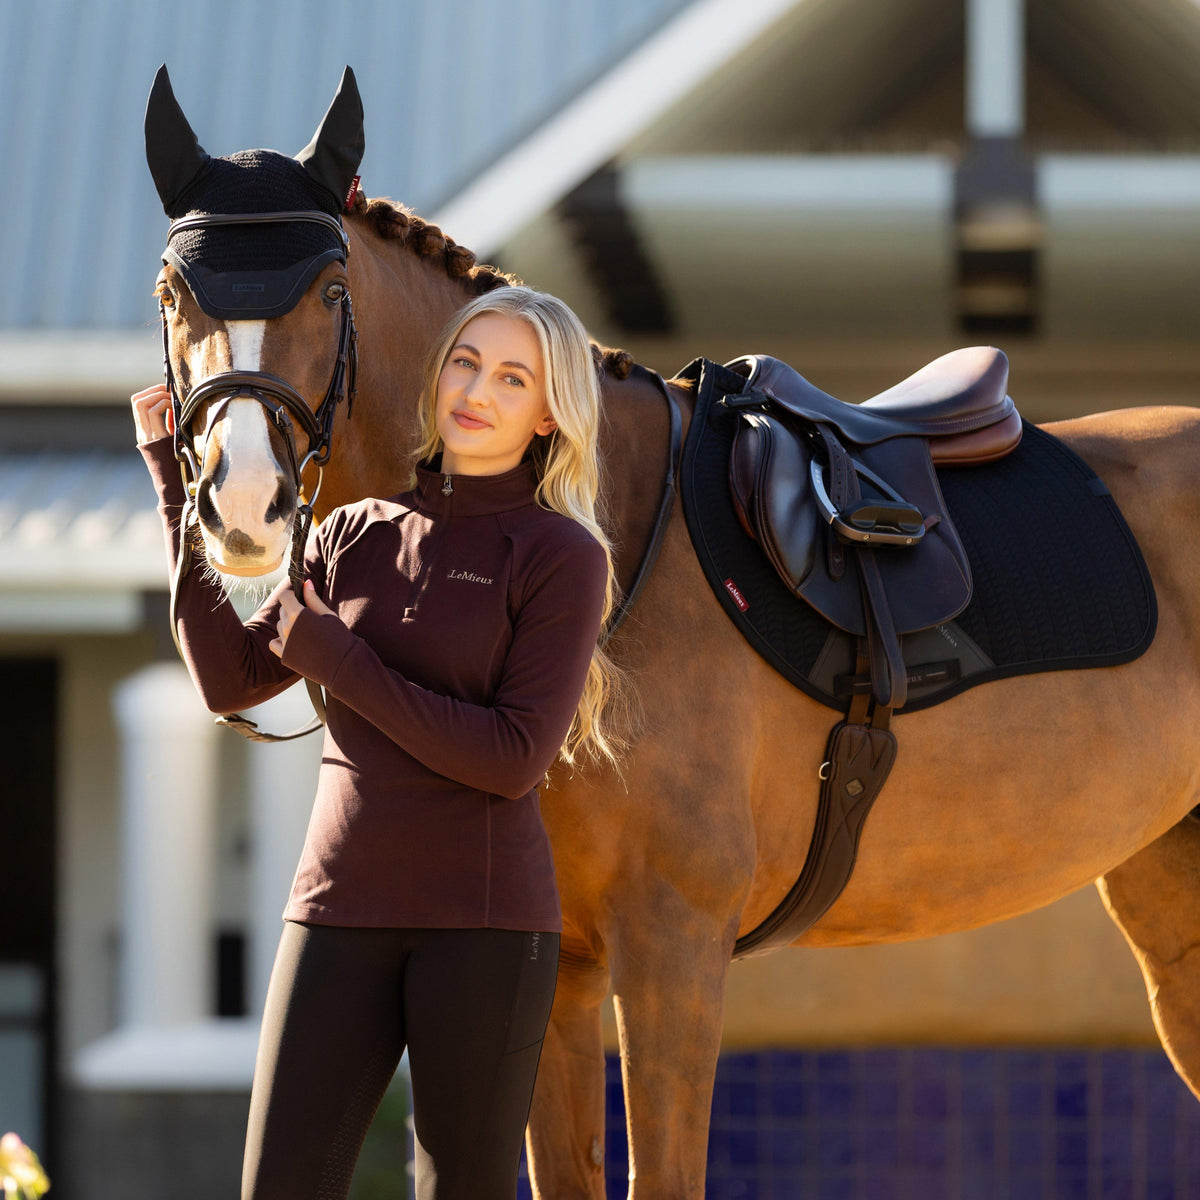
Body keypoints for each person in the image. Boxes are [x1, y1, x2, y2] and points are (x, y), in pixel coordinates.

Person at [130, 286, 622, 1200]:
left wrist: (341, 660)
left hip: (483, 926)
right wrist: (174, 478)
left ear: (550, 412)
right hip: (335, 909)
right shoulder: (352, 532)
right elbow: (231, 680)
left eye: (513, 378)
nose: (477, 389)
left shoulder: (560, 555)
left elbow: (511, 757)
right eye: (467, 363)